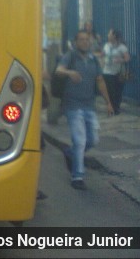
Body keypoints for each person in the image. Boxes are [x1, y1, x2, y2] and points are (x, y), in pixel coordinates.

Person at [55, 29, 114, 190]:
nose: (85, 42)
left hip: (89, 105)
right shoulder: (71, 56)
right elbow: (58, 71)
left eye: (87, 39)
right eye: (81, 39)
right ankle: (77, 176)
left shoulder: (93, 59)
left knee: (93, 139)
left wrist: (108, 102)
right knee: (80, 140)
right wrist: (69, 72)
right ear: (76, 42)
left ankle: (70, 153)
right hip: (73, 106)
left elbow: (100, 81)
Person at [102, 28, 130, 115]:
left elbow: (127, 58)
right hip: (107, 71)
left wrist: (120, 60)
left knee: (117, 91)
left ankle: (116, 107)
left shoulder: (122, 47)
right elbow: (103, 55)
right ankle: (111, 108)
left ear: (114, 36)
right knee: (110, 91)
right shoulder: (106, 45)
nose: (108, 35)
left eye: (109, 34)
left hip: (117, 72)